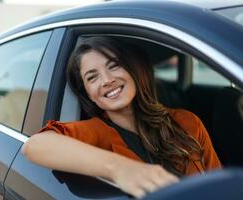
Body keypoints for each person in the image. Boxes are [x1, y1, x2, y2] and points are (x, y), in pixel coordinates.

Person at [22, 36, 221, 199]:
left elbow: (219, 186)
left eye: (114, 66)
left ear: (133, 69)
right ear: (88, 93)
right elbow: (35, 145)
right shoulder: (93, 131)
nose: (107, 80)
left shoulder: (187, 122)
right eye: (92, 77)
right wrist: (120, 169)